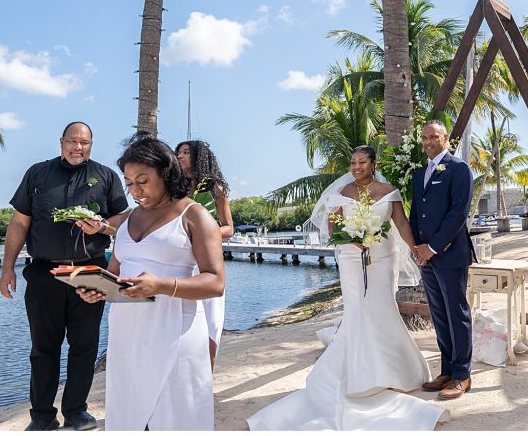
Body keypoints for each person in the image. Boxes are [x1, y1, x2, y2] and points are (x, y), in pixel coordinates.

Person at [247, 146, 448, 430]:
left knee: (383, 309)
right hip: (353, 259)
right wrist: (352, 240)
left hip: (382, 257)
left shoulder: (388, 190)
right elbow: (332, 228)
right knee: (357, 311)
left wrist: (414, 247)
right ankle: (359, 374)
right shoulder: (340, 193)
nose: (356, 167)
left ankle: (396, 372)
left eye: (362, 162)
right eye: (352, 162)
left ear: (373, 163)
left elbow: (400, 222)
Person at [76, 134, 224, 431]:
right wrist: (100, 290)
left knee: (176, 414)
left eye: (142, 180)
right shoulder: (128, 220)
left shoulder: (194, 215)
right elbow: (117, 274)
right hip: (127, 333)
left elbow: (215, 281)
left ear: (166, 173)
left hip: (176, 330)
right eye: (129, 183)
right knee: (128, 411)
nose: (135, 190)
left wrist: (162, 285)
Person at [0, 121, 129, 431]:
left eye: (84, 143)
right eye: (72, 141)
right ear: (61, 142)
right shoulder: (37, 174)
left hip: (90, 270)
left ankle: (76, 412)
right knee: (43, 348)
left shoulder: (106, 175)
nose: (77, 147)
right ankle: (42, 417)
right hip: (44, 273)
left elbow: (123, 219)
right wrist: (7, 268)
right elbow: (19, 223)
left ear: (91, 145)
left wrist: (103, 226)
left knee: (84, 346)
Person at [410, 120, 475, 400]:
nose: (428, 142)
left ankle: (462, 375)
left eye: (433, 137)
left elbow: (458, 213)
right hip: (426, 257)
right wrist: (415, 247)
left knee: (456, 314)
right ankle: (447, 370)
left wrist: (432, 247)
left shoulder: (459, 169)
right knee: (439, 316)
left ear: (445, 138)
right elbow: (416, 214)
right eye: (424, 137)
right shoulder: (419, 173)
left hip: (449, 255)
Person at [176, 139, 234, 369]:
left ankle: (206, 374)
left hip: (208, 261)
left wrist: (203, 234)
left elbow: (228, 228)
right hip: (181, 260)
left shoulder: (215, 189)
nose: (180, 156)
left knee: (211, 322)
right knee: (183, 321)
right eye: (178, 152)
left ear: (199, 156)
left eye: (186, 152)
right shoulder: (174, 188)